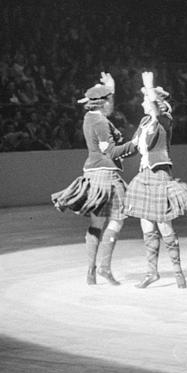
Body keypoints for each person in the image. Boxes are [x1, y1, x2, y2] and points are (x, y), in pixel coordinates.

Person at [51, 73, 136, 285]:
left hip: (93, 175)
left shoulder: (91, 117)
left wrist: (111, 88)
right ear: (104, 103)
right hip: (106, 176)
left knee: (97, 223)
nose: (112, 104)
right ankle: (104, 268)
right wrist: (137, 144)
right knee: (117, 220)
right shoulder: (100, 122)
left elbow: (105, 145)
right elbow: (112, 152)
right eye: (110, 100)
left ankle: (91, 271)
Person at [123, 72, 187, 289]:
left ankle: (178, 273)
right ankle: (152, 272)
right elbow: (131, 146)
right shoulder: (144, 122)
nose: (142, 102)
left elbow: (157, 113)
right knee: (146, 224)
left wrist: (148, 86)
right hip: (144, 175)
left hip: (159, 175)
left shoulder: (165, 120)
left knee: (164, 224)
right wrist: (108, 153)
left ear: (156, 103)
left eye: (146, 99)